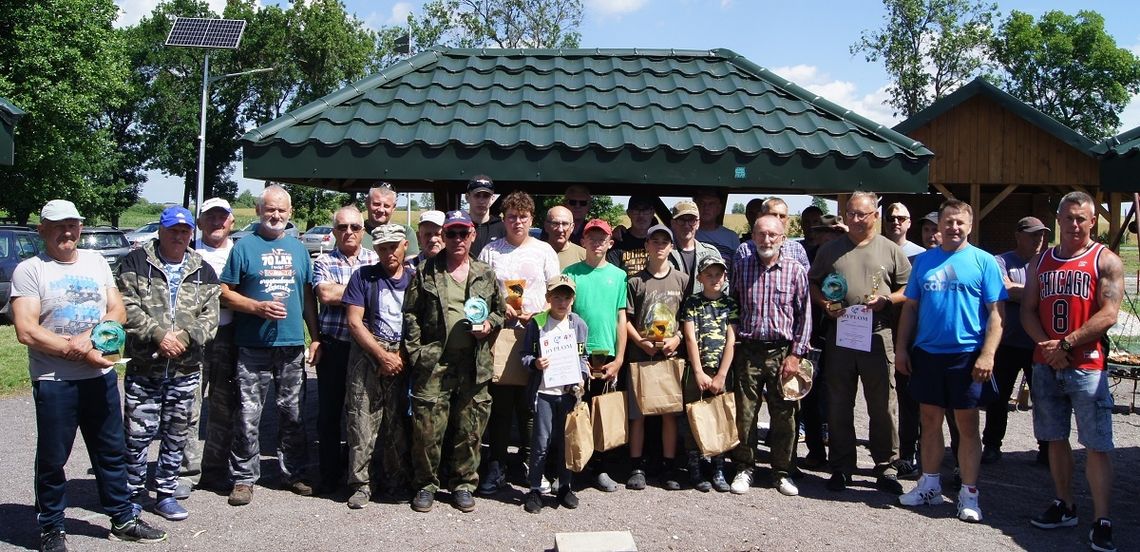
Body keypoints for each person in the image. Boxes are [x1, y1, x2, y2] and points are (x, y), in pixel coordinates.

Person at [11, 199, 168, 550]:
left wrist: (90, 340)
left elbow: (117, 310)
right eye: (57, 225)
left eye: (72, 224)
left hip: (100, 377)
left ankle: (123, 518)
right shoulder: (31, 269)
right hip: (55, 380)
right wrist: (80, 350)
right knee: (53, 458)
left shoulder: (96, 261)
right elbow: (26, 330)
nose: (67, 231)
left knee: (111, 452)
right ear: (42, 230)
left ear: (80, 227)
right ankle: (51, 526)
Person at [895, 200, 1006, 523]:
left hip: (967, 355)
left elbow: (997, 314)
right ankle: (929, 484)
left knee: (967, 425)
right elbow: (911, 308)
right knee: (928, 421)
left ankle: (969, 494)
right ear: (938, 226)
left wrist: (988, 353)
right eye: (948, 222)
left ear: (969, 226)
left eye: (959, 222)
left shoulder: (983, 262)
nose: (953, 228)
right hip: (927, 354)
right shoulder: (925, 262)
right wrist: (902, 348)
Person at [1022, 191, 1121, 552]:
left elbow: (1109, 313)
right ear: (1058, 220)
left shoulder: (1104, 260)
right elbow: (1028, 310)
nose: (1075, 224)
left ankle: (1103, 518)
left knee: (1096, 443)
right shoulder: (1042, 261)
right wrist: (1049, 347)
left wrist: (1066, 344)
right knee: (1054, 436)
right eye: (1069, 218)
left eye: (1082, 218)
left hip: (1087, 365)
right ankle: (1064, 503)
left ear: (1092, 221)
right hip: (1047, 363)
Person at [220, 185, 321, 506]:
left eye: (281, 210)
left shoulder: (299, 249)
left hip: (291, 345)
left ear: (289, 213)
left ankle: (293, 473)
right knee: (248, 414)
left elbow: (307, 298)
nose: (275, 215)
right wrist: (256, 308)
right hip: (252, 345)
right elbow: (224, 292)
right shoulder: (244, 247)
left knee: (292, 412)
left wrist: (315, 336)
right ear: (259, 211)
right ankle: (243, 478)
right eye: (269, 209)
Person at [118, 206, 220, 522]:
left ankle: (165, 494)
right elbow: (125, 307)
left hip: (186, 369)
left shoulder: (202, 269)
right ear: (161, 230)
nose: (179, 236)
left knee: (177, 435)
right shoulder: (135, 263)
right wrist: (159, 335)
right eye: (173, 230)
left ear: (192, 232)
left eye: (184, 231)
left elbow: (211, 316)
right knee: (137, 437)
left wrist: (185, 338)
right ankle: (132, 497)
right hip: (145, 367)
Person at [808, 191, 910, 496]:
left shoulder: (890, 251)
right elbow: (814, 282)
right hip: (841, 333)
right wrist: (825, 304)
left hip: (878, 333)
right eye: (850, 213)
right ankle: (841, 467)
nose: (854, 219)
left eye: (861, 214)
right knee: (839, 402)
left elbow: (909, 288)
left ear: (874, 216)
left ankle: (885, 466)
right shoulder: (831, 250)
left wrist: (888, 300)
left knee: (882, 405)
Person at [404, 210, 504, 513]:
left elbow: (499, 311)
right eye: (452, 234)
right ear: (442, 236)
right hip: (435, 362)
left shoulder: (485, 273)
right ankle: (425, 484)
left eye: (463, 233)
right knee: (427, 430)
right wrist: (416, 353)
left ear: (472, 235)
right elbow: (410, 314)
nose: (458, 239)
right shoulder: (426, 271)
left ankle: (462, 484)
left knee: (470, 429)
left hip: (474, 363)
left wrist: (489, 325)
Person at [476, 191, 560, 496]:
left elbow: (558, 292)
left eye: (523, 217)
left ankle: (530, 465)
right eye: (511, 216)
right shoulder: (491, 251)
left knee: (531, 407)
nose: (517, 222)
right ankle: (496, 466)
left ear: (531, 219)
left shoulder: (544, 251)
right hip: (501, 335)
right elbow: (479, 292)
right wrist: (499, 306)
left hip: (535, 334)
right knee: (500, 407)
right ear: (503, 218)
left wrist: (542, 312)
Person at [729, 215, 812, 497]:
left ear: (782, 239)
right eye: (761, 234)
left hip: (782, 353)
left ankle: (782, 471)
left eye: (772, 235)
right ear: (752, 236)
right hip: (749, 351)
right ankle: (745, 467)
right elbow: (734, 307)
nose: (767, 240)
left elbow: (805, 316)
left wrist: (796, 354)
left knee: (785, 416)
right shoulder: (741, 268)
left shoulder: (795, 270)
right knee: (745, 413)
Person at [341, 224, 414, 509]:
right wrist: (381, 356)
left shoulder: (415, 279)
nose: (388, 253)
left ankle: (395, 482)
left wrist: (401, 357)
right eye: (382, 248)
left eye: (393, 246)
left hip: (403, 354)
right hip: (367, 353)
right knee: (361, 419)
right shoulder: (364, 276)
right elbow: (354, 322)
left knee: (397, 423)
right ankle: (361, 484)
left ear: (404, 245)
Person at [311, 206, 378, 494]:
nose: (348, 232)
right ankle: (329, 475)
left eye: (354, 227)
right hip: (335, 345)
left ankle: (359, 474)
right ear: (334, 231)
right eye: (342, 227)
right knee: (329, 413)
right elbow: (325, 294)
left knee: (362, 412)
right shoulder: (323, 261)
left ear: (363, 230)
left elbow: (384, 293)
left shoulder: (375, 258)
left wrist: (345, 292)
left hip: (366, 347)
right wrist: (364, 291)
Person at [563, 219, 628, 492]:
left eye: (602, 238)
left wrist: (620, 358)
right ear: (583, 241)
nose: (597, 242)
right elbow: (563, 316)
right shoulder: (571, 273)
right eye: (592, 237)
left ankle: (600, 468)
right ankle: (574, 466)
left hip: (607, 354)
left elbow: (620, 318)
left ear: (610, 243)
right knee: (575, 412)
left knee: (602, 415)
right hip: (578, 354)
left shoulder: (619, 276)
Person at [625, 223, 688, 490]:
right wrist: (640, 340)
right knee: (638, 413)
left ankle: (668, 465)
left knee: (669, 412)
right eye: (655, 241)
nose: (660, 245)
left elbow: (687, 317)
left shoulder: (682, 279)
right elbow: (625, 319)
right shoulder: (636, 281)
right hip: (641, 354)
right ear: (647, 246)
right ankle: (636, 465)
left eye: (665, 241)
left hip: (670, 356)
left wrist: (678, 339)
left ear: (671, 247)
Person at [180, 197, 236, 496]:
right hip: (192, 339)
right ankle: (186, 471)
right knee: (188, 405)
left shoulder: (241, 253)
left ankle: (215, 470)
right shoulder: (187, 254)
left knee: (223, 407)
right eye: (210, 217)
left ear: (231, 222)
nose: (217, 222)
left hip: (228, 336)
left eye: (222, 217)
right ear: (199, 223)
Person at [519, 275, 590, 513]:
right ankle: (535, 489)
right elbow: (524, 354)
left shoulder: (578, 324)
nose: (562, 302)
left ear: (573, 299)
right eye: (557, 297)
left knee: (566, 442)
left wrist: (582, 375)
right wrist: (535, 363)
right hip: (544, 392)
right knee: (540, 443)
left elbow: (583, 357)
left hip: (567, 394)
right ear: (548, 298)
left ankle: (564, 487)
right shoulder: (537, 323)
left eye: (567, 297)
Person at [986, 217, 1051, 465]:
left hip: (1040, 342)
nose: (1038, 239)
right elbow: (1003, 290)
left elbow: (1016, 291)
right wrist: (1037, 292)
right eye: (1033, 234)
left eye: (1041, 235)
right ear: (1018, 235)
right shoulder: (1000, 261)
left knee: (1043, 399)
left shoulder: (1047, 262)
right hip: (1007, 341)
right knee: (998, 398)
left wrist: (1019, 291)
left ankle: (1046, 449)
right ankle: (992, 445)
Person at [679, 256, 738, 493]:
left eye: (718, 275)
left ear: (725, 277)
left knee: (720, 417)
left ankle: (718, 467)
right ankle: (694, 466)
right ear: (700, 278)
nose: (714, 279)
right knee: (694, 416)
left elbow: (732, 339)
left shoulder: (730, 304)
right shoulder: (693, 302)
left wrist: (721, 374)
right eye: (709, 275)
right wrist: (699, 372)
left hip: (721, 370)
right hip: (698, 370)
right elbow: (690, 337)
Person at [668, 200, 723, 296]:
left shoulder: (711, 253)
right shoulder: (664, 254)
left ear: (698, 223)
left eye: (691, 220)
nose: (686, 225)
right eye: (681, 220)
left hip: (702, 310)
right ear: (673, 223)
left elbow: (723, 286)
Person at [609, 194, 657, 276]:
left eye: (645, 210)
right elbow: (612, 276)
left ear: (652, 213)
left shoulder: (660, 241)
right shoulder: (618, 241)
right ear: (628, 213)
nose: (641, 215)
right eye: (636, 210)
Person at [759, 197, 810, 271]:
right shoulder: (746, 249)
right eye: (773, 215)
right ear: (761, 217)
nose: (778, 219)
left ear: (787, 220)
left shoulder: (797, 249)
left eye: (782, 216)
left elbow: (806, 280)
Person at [465, 175, 506, 257]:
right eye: (477, 195)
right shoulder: (459, 227)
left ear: (492, 198)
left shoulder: (503, 229)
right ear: (467, 197)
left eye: (486, 196)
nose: (481, 200)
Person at [693, 189, 739, 261]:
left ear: (719, 209)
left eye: (711, 204)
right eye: (702, 203)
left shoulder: (731, 237)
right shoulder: (687, 234)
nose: (706, 208)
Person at [545, 205, 585, 269]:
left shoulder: (584, 256)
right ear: (546, 226)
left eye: (565, 224)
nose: (560, 229)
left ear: (572, 227)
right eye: (555, 223)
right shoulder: (535, 253)